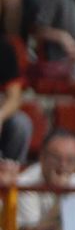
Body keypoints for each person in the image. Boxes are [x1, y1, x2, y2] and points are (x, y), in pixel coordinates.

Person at [0, 26, 29, 163]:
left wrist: (0, 116)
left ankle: (11, 175)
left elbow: (15, 98)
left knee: (21, 123)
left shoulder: (3, 48)